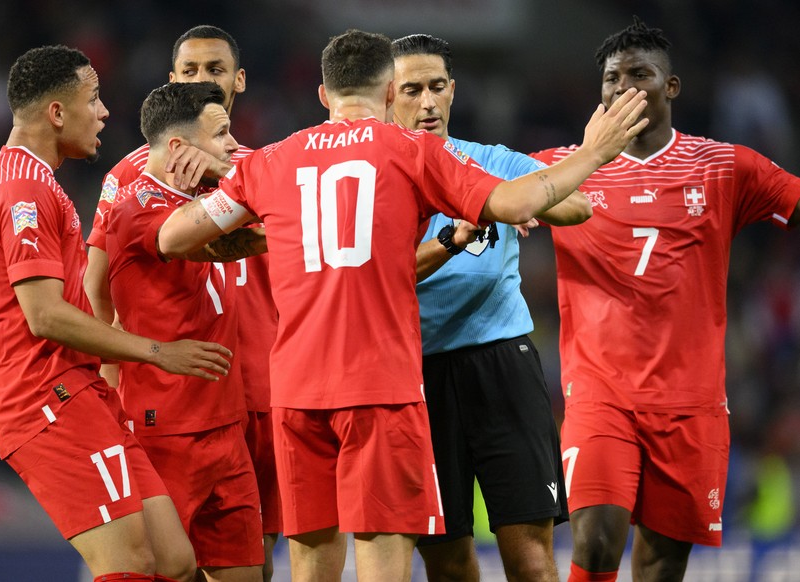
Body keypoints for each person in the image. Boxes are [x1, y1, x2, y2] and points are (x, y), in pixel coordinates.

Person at [156, 29, 648, 582]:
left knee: (313, 564)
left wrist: (276, 234)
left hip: (296, 389)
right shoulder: (412, 151)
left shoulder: (270, 162)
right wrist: (595, 152)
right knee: (384, 562)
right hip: (381, 388)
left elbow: (174, 239)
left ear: (323, 95)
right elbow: (518, 201)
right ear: (391, 93)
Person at [529, 18, 800, 582]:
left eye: (639, 74)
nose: (623, 87)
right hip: (600, 397)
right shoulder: (558, 168)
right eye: (611, 77)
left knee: (659, 567)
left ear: (670, 87)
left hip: (692, 405)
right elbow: (475, 193)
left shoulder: (725, 166)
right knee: (597, 540)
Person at [0, 45, 233, 582]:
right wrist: (156, 353)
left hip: (76, 389)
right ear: (57, 113)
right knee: (127, 562)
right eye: (94, 99)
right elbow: (45, 316)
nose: (104, 112)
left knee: (174, 561)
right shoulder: (24, 186)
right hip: (44, 395)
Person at [83, 25, 283, 580]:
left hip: (258, 387)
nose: (204, 82)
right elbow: (97, 287)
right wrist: (115, 376)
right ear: (172, 83)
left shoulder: (258, 168)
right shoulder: (130, 179)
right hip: (169, 402)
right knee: (169, 561)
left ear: (238, 80)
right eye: (190, 73)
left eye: (215, 71)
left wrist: (226, 171)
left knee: (258, 556)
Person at [391, 33, 581, 582]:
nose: (426, 102)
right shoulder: (377, 177)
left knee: (530, 557)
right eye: (411, 90)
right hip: (417, 375)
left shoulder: (489, 161)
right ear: (387, 97)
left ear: (452, 91)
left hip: (502, 364)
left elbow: (578, 205)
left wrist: (515, 197)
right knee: (447, 561)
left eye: (435, 88)